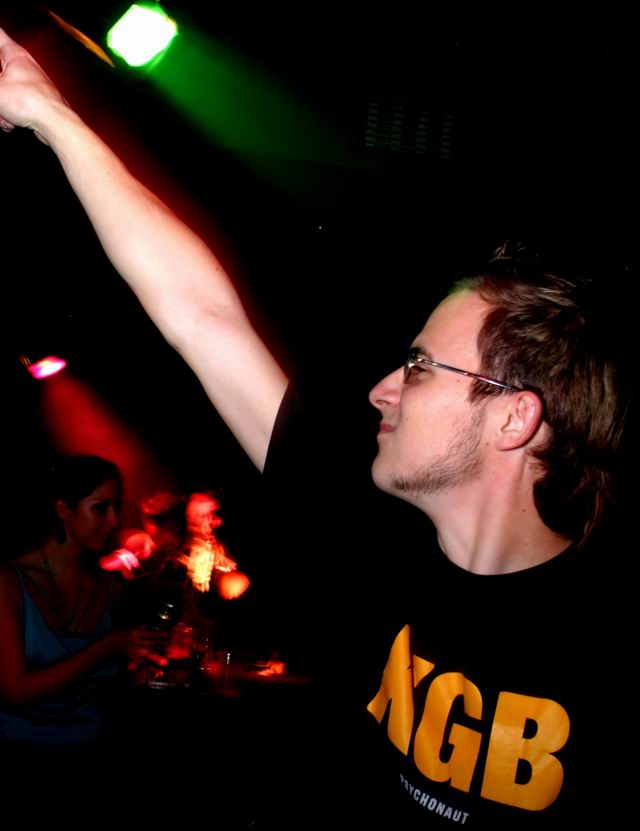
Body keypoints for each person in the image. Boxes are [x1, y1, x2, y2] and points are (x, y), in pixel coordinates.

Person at [0, 27, 630, 824]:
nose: (381, 389)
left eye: (420, 366)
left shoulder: (612, 645)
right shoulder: (367, 549)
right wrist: (49, 113)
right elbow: (202, 316)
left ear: (515, 415)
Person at [0, 455, 167, 761]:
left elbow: (113, 686)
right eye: (100, 508)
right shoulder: (10, 581)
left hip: (93, 751)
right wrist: (108, 646)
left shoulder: (112, 588)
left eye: (116, 507)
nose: (114, 521)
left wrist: (141, 665)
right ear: (63, 508)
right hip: (17, 751)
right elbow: (15, 690)